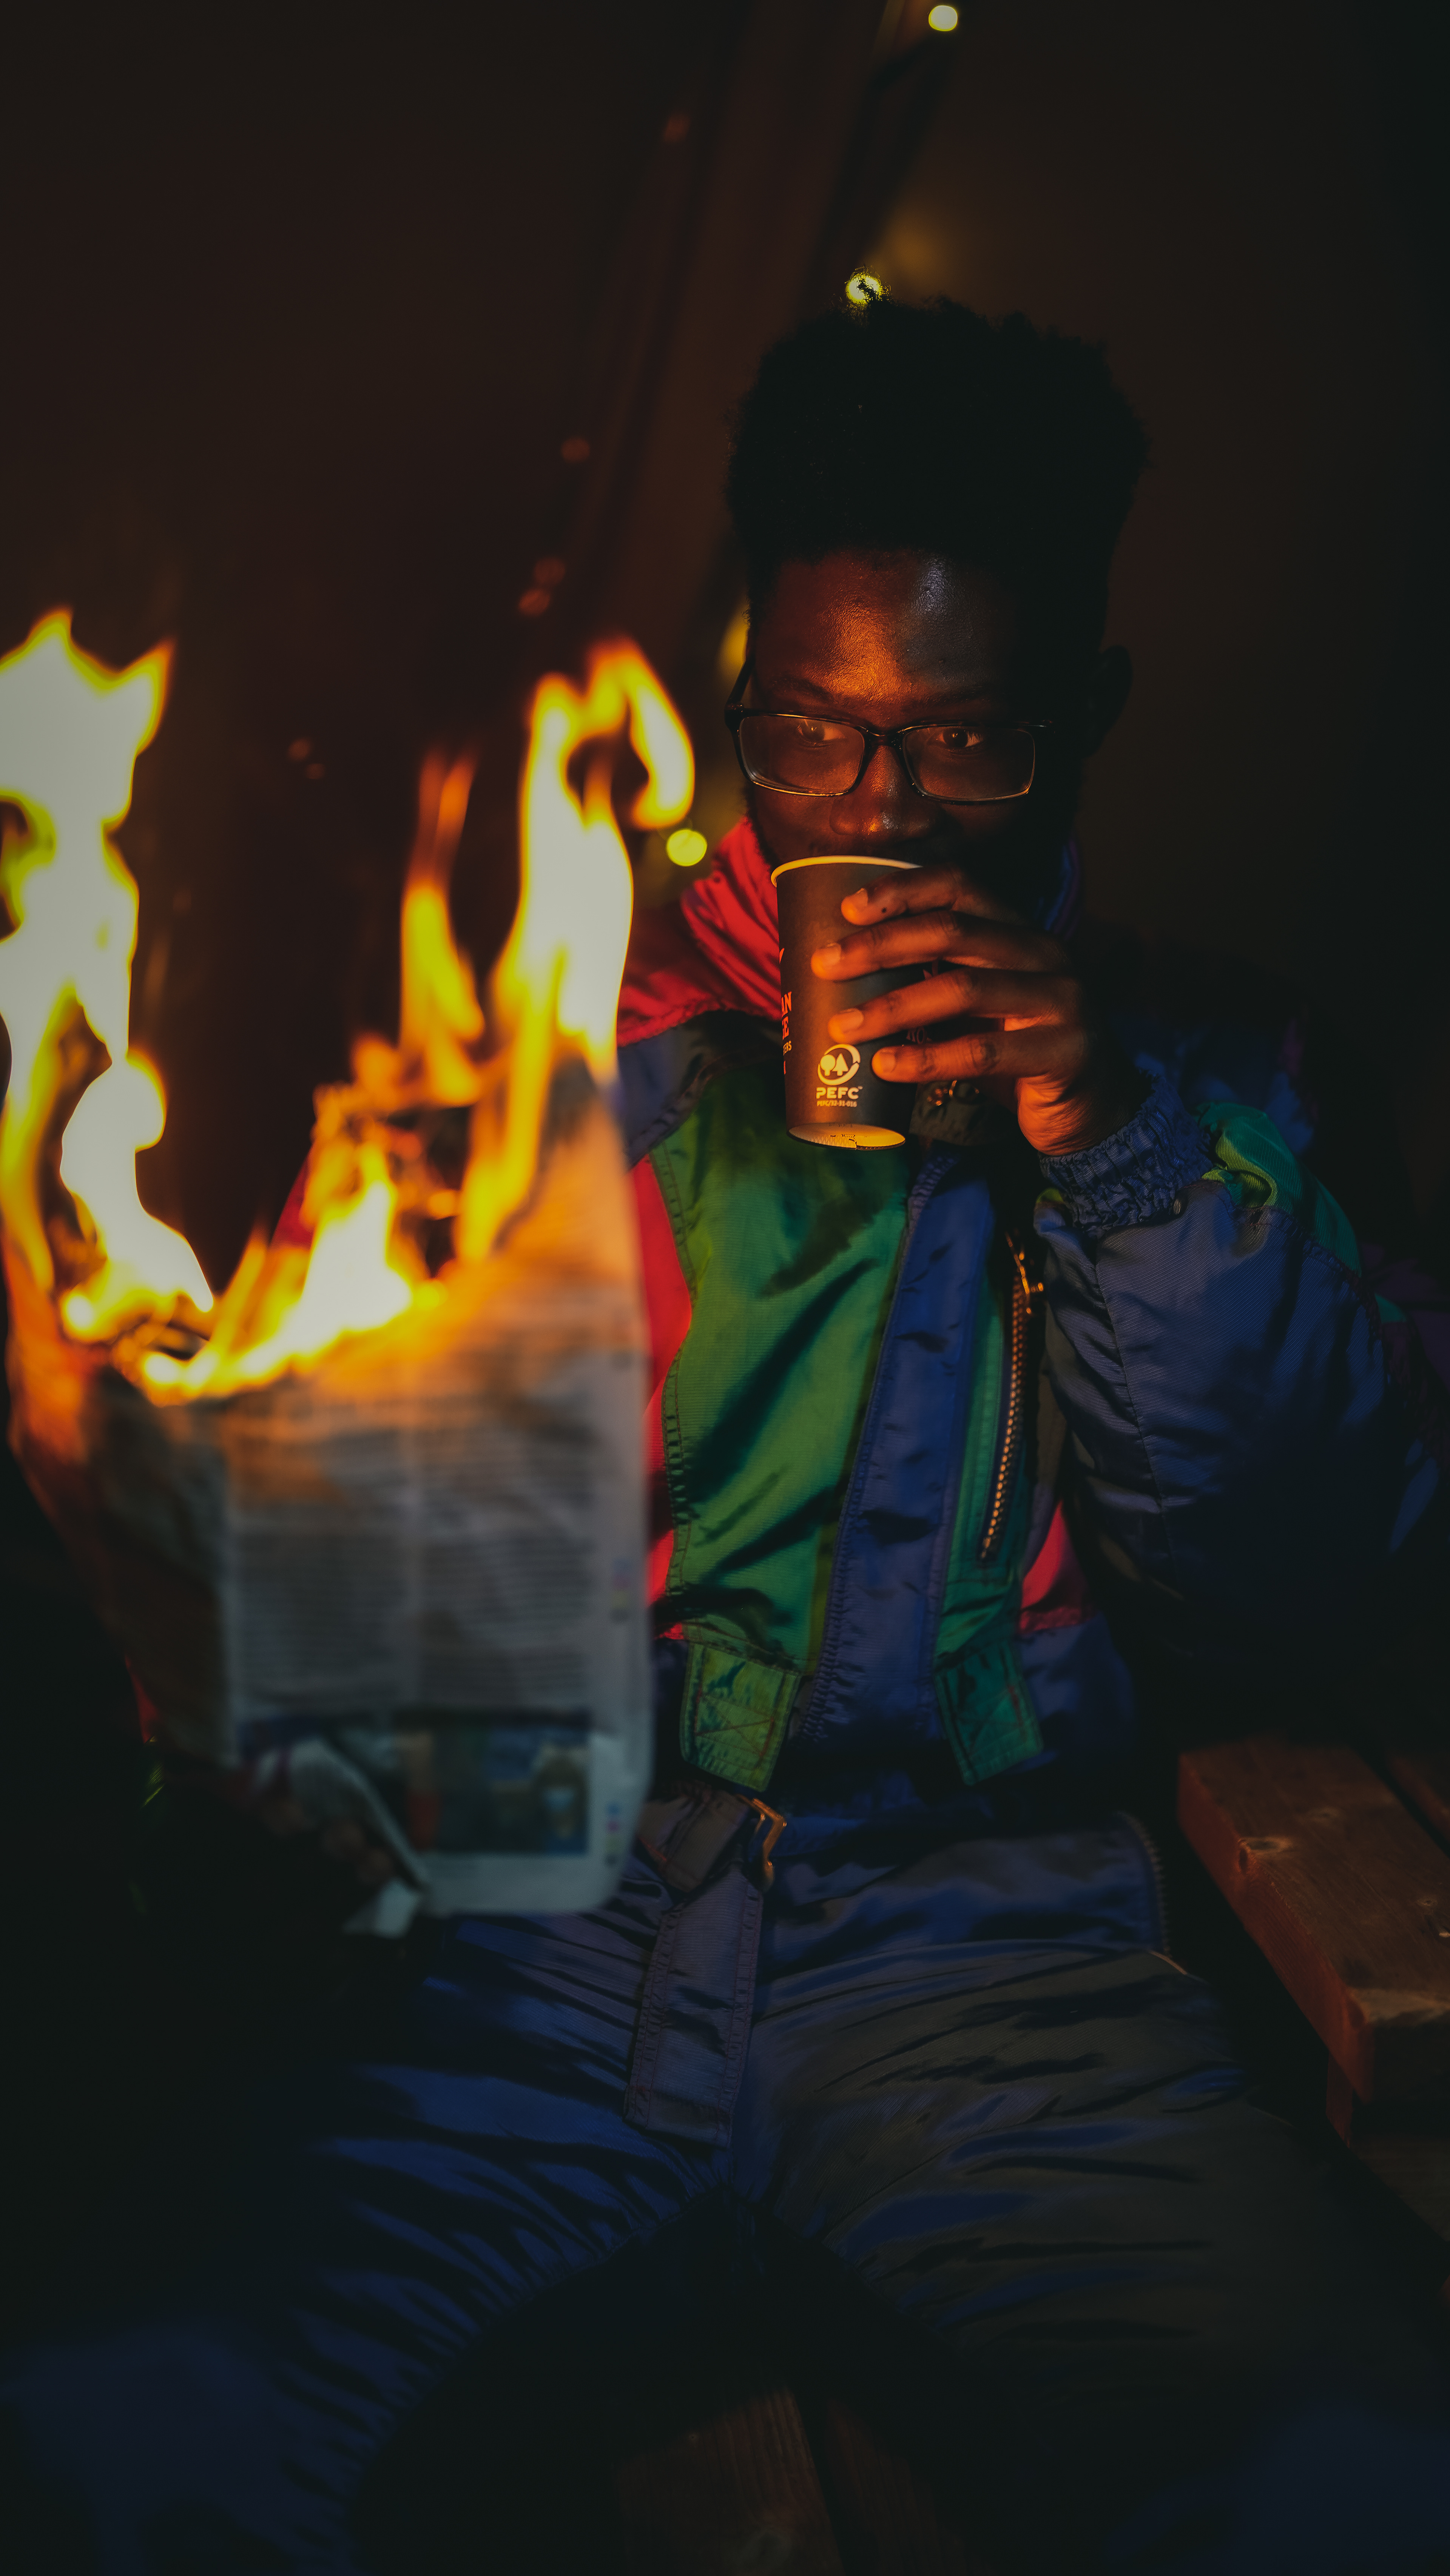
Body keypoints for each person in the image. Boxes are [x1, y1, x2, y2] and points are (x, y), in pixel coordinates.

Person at [6, 291, 1450, 2576]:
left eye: (961, 740)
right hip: (531, 1946)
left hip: (1004, 1979)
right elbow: (328, 1612)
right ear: (743, 701)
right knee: (115, 2434)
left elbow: (1300, 1579)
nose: (873, 816)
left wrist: (1110, 1139)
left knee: (1352, 2475)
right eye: (812, 733)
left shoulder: (1225, 1084)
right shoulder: (535, 1053)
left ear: (1084, 718)